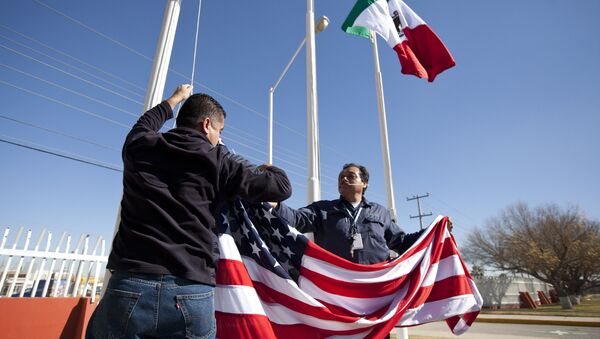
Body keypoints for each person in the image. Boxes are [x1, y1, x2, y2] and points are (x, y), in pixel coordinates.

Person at [86, 85, 292, 339]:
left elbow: (146, 122)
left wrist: (175, 98)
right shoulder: (221, 162)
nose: (219, 138)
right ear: (207, 125)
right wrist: (269, 168)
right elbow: (281, 187)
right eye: (220, 130)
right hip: (191, 291)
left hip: (129, 285)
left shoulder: (139, 145)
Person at [275, 163, 441, 265]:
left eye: (350, 176)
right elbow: (295, 219)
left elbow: (401, 242)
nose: (344, 179)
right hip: (339, 287)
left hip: (377, 286)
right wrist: (275, 205)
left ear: (365, 183)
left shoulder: (380, 212)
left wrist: (436, 231)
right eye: (341, 177)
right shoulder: (322, 209)